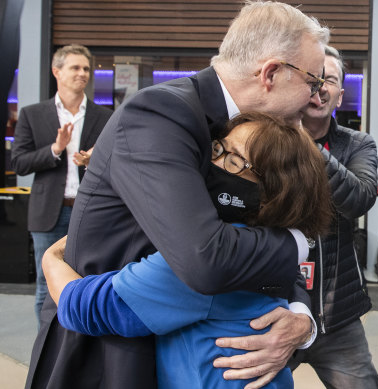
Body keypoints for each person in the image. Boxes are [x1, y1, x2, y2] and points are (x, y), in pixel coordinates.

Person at [25, 2, 330, 389]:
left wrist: (301, 316)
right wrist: (298, 242)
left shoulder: (248, 136)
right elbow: (206, 257)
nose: (317, 99)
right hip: (113, 353)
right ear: (270, 73)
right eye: (313, 82)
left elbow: (250, 231)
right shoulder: (161, 113)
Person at [42, 111, 332, 389]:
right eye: (217, 148)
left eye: (232, 160)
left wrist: (51, 259)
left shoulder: (214, 257)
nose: (212, 162)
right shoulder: (266, 245)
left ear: (273, 193)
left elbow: (89, 308)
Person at [286, 45, 378, 388]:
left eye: (329, 80)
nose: (320, 86)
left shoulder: (358, 144)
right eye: (312, 77)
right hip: (276, 310)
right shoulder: (265, 141)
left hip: (337, 315)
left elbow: (359, 199)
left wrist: (302, 143)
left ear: (340, 95)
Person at [11, 44, 112, 325]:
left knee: (89, 279)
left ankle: (77, 347)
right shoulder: (32, 114)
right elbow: (19, 163)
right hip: (48, 213)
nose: (83, 74)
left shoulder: (104, 117)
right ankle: (47, 349)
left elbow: (116, 164)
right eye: (75, 68)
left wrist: (93, 160)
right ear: (57, 71)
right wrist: (55, 149)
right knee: (46, 285)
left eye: (86, 69)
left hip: (90, 212)